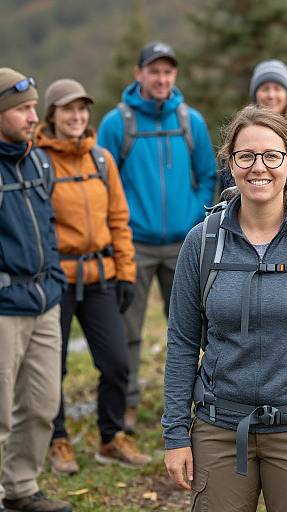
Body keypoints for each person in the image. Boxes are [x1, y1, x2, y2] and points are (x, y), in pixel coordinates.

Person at [162, 105, 287, 511]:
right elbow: (182, 344)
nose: (259, 167)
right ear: (230, 164)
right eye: (246, 156)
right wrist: (176, 436)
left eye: (272, 156)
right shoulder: (202, 244)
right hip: (218, 427)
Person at [98, 41, 217, 432]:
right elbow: (103, 182)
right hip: (134, 244)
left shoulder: (190, 121)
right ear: (139, 75)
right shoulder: (117, 123)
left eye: (168, 71)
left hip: (184, 244)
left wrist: (193, 219)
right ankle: (127, 404)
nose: (162, 78)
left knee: (192, 328)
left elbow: (207, 177)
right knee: (128, 330)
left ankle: (193, 405)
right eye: (154, 71)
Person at [34, 79, 150, 475]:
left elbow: (119, 219)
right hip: (56, 280)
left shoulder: (101, 160)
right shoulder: (38, 161)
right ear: (52, 115)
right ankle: (57, 440)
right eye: (68, 110)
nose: (77, 116)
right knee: (53, 365)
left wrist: (125, 272)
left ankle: (111, 437)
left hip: (101, 277)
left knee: (116, 362)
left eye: (82, 109)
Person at [0, 68, 71, 512]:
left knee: (42, 404)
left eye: (33, 107)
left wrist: (56, 278)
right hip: (4, 307)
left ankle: (21, 487)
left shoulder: (39, 159)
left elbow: (47, 226)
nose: (33, 116)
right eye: (24, 109)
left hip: (44, 302)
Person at [221, 59, 287, 199]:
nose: (271, 95)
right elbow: (226, 182)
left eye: (277, 88)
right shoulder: (240, 130)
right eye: (265, 89)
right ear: (256, 94)